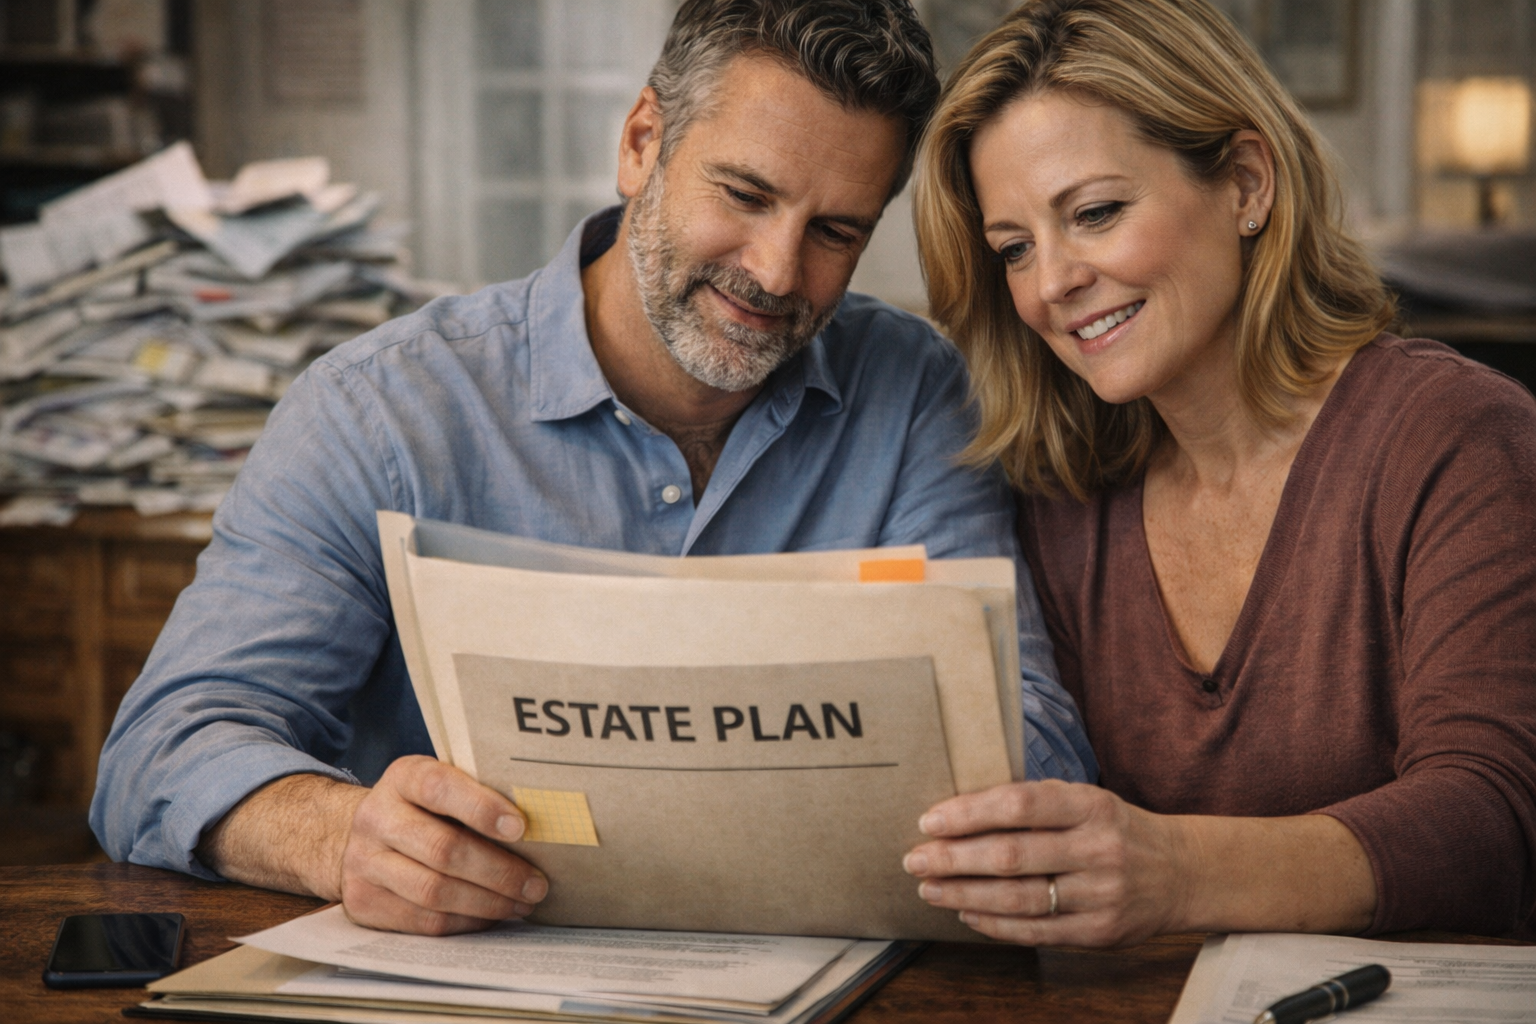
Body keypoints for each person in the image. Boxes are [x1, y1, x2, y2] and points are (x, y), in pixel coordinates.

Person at [91, 0, 1096, 936]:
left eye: (837, 232)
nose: (777, 271)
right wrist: (342, 835)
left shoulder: (918, 393)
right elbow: (164, 749)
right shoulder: (378, 411)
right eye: (745, 193)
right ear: (641, 142)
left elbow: (1032, 743)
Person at [903, 0, 1536, 945]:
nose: (1051, 285)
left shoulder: (1458, 438)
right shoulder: (1064, 497)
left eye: (1096, 213)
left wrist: (1175, 871)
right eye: (1015, 250)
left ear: (1246, 184)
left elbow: (1493, 821)